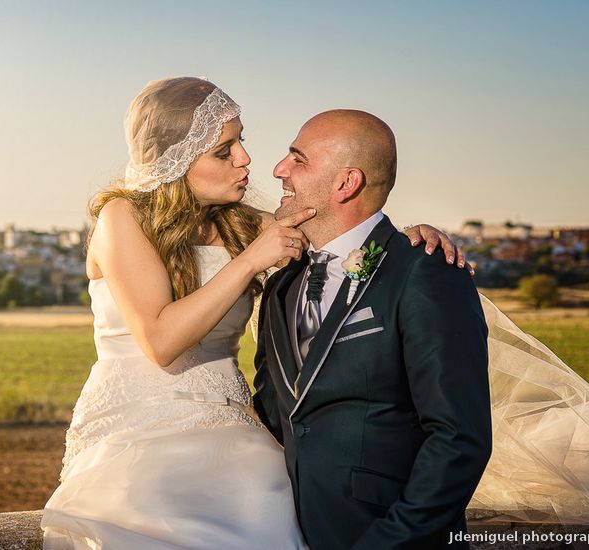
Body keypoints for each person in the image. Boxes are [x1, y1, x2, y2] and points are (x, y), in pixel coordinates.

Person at [40, 77, 465, 549]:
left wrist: (410, 236)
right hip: (135, 429)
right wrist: (249, 261)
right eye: (224, 150)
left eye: (242, 140)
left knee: (267, 505)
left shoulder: (245, 223)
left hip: (232, 428)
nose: (245, 158)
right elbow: (160, 342)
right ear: (176, 161)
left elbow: (341, 223)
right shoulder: (123, 217)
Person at [253, 109, 589, 550]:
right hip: (284, 529)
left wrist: (387, 542)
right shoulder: (282, 283)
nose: (279, 169)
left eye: (297, 159)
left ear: (346, 183)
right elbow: (273, 410)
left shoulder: (424, 271)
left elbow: (458, 439)